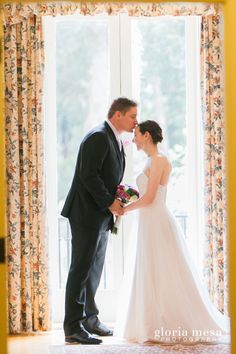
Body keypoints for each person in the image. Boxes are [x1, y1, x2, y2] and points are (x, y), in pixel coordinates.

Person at [115, 120, 230, 344]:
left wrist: (125, 210)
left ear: (147, 136)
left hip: (156, 220)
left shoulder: (158, 160)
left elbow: (149, 198)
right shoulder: (151, 160)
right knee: (150, 270)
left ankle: (163, 322)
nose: (135, 139)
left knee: (162, 270)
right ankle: (150, 322)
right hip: (148, 222)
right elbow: (145, 195)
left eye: (137, 135)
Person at [61, 97, 138, 344]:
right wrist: (109, 202)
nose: (136, 121)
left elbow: (106, 175)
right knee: (81, 268)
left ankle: (90, 319)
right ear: (117, 115)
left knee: (94, 269)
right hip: (86, 213)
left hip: (101, 214)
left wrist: (116, 200)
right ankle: (73, 326)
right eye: (132, 116)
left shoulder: (112, 137)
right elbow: (88, 175)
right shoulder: (97, 136)